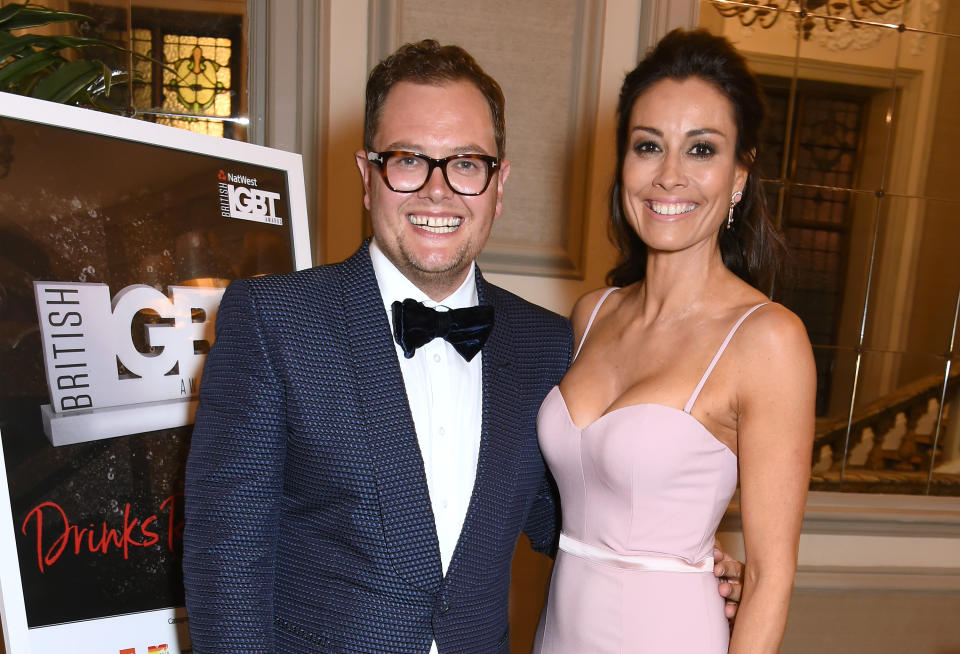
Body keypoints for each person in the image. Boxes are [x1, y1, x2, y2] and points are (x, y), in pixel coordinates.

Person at [182, 39, 743, 654]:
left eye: (467, 163)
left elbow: (573, 514)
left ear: (499, 186)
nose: (437, 190)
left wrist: (687, 560)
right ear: (366, 177)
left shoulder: (546, 342)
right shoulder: (274, 321)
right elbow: (224, 563)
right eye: (407, 160)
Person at [533, 29, 816, 654]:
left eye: (702, 149)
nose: (669, 176)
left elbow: (771, 575)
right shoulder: (592, 314)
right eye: (648, 146)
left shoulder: (768, 340)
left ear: (740, 174)